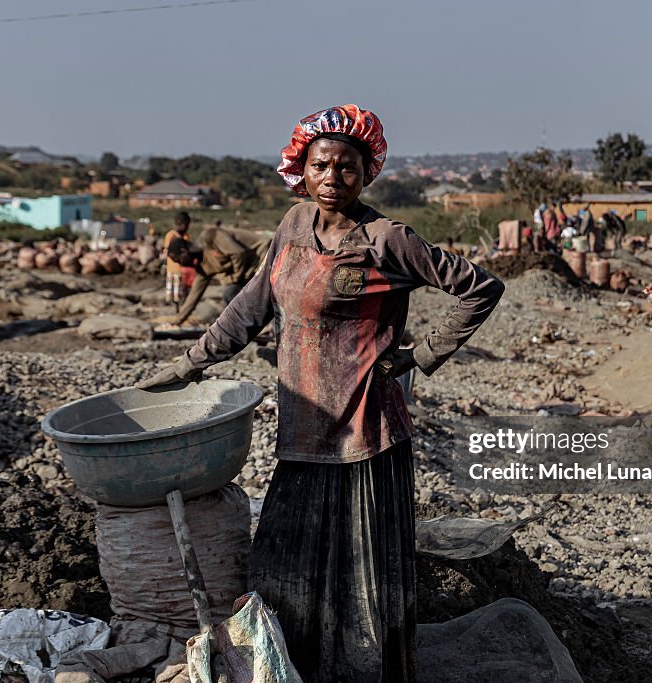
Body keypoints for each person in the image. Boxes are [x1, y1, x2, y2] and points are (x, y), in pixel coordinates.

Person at [136, 104, 504, 682]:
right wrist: (189, 364)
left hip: (366, 435)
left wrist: (422, 354)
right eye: (321, 165)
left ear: (367, 171)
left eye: (347, 167)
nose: (333, 177)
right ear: (301, 170)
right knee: (287, 563)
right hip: (303, 427)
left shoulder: (387, 239)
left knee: (363, 579)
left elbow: (481, 288)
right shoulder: (292, 225)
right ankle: (294, 668)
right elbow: (252, 306)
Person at [172, 224, 270, 324]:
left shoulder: (210, 237)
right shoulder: (203, 267)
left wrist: (234, 278)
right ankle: (254, 325)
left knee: (234, 291)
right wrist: (178, 320)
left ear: (183, 252)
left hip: (265, 255)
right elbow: (194, 295)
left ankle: (258, 324)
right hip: (251, 273)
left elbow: (238, 253)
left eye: (178, 260)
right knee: (231, 293)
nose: (181, 264)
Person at [163, 212, 195, 309]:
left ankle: (177, 302)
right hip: (172, 266)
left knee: (178, 286)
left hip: (180, 268)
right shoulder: (171, 235)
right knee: (171, 285)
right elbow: (167, 250)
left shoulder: (185, 236)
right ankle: (169, 301)